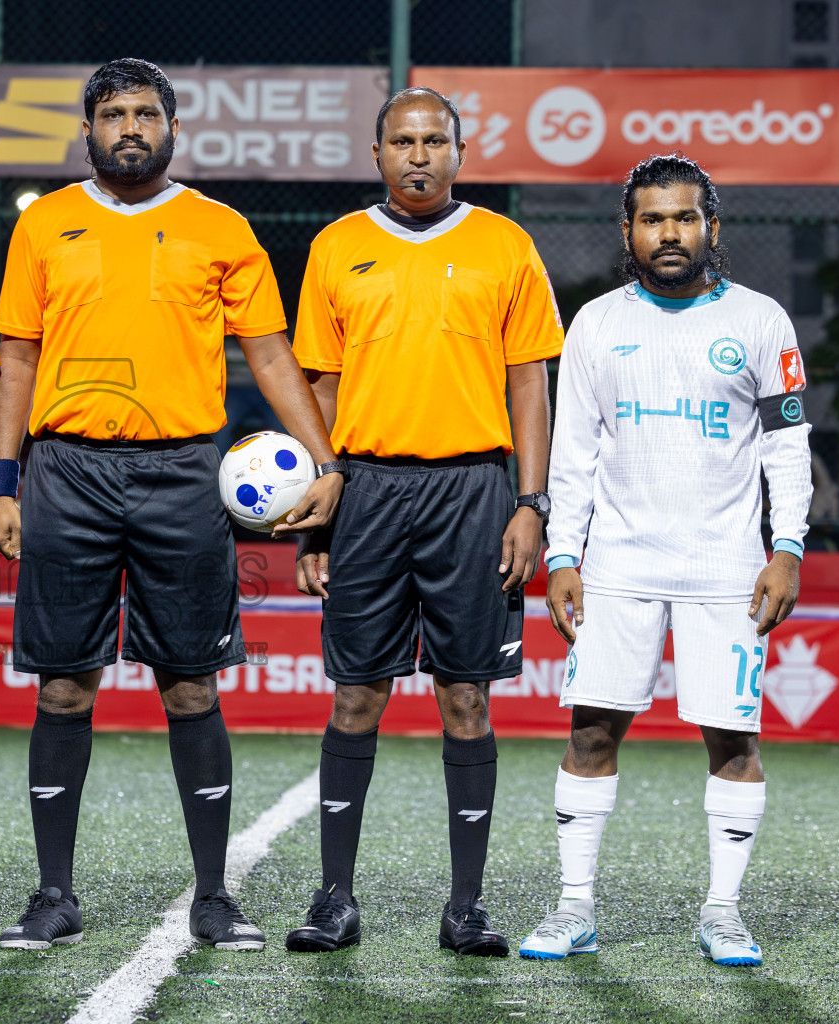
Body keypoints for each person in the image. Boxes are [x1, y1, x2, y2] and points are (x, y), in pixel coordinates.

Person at [0, 58, 343, 951]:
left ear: (173, 128)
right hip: (66, 471)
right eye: (113, 114)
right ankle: (52, 895)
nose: (130, 127)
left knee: (191, 684)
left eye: (147, 112)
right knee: (66, 684)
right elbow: (17, 362)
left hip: (184, 474)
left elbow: (269, 355)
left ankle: (215, 896)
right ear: (89, 129)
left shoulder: (219, 227)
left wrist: (327, 459)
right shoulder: (45, 226)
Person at [285, 87, 564, 957]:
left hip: (474, 494)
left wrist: (530, 503)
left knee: (466, 696)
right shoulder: (336, 246)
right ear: (376, 154)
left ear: (460, 151)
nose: (418, 154)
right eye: (401, 140)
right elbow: (320, 390)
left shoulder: (505, 245)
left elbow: (529, 384)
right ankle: (334, 898)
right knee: (357, 693)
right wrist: (313, 518)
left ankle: (467, 906)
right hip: (364, 492)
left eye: (433, 139)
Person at [518, 155, 811, 967]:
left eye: (684, 218)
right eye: (653, 219)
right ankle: (575, 907)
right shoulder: (597, 324)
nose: (669, 233)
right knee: (590, 733)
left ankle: (723, 911)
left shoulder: (760, 321)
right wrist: (564, 554)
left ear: (712, 228)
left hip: (726, 566)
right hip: (616, 564)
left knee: (735, 742)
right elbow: (573, 452)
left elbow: (787, 450)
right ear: (628, 232)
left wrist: (785, 549)